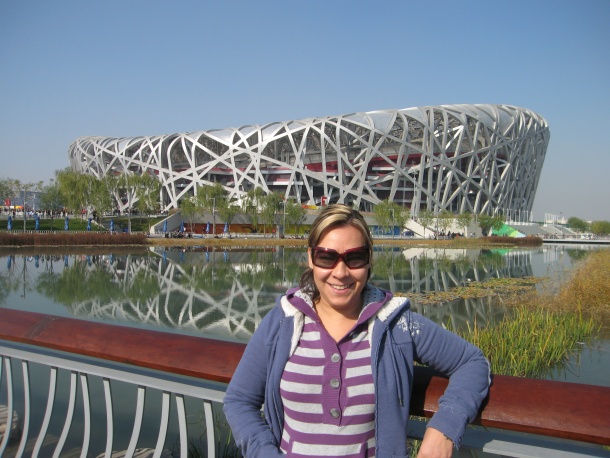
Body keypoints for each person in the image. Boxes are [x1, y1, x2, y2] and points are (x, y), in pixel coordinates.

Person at [223, 204, 490, 458]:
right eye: (326, 257)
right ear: (310, 258)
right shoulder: (283, 322)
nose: (340, 272)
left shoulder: (395, 325)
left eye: (355, 258)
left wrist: (444, 428)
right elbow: (239, 401)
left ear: (369, 259)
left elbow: (471, 362)